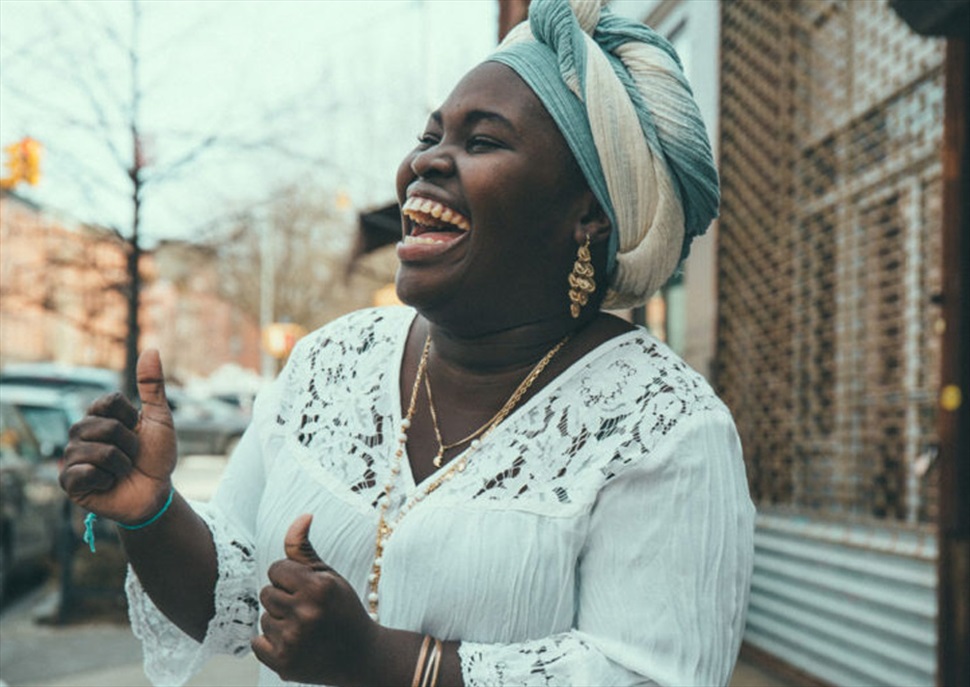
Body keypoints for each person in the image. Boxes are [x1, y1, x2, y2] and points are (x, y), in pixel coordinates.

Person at [60, 1, 755, 685]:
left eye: (481, 141)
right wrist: (151, 511)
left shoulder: (664, 427)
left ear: (589, 215)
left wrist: (388, 662)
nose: (428, 163)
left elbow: (648, 674)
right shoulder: (330, 361)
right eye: (430, 137)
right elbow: (241, 605)